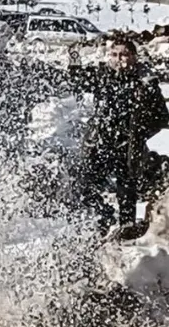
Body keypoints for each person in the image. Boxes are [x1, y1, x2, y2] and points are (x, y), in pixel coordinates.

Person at [65, 38, 169, 237]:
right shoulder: (103, 75)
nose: (118, 59)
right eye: (114, 55)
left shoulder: (144, 82)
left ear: (133, 57)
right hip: (100, 142)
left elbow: (161, 117)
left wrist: (139, 133)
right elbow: (78, 81)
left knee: (126, 191)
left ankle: (127, 231)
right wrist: (74, 61)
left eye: (123, 55)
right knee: (85, 184)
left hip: (127, 146)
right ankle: (103, 215)